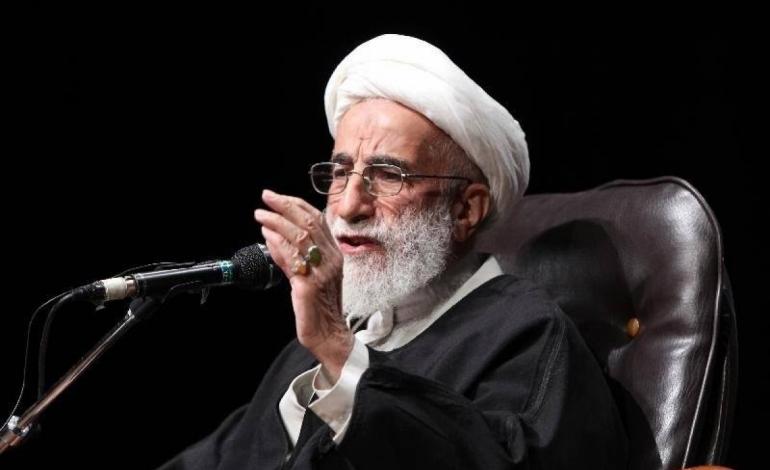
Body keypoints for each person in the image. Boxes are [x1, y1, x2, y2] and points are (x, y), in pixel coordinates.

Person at [159, 34, 628, 469]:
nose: (348, 206)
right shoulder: (312, 350)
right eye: (340, 173)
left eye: (388, 176)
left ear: (466, 209)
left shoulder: (525, 333)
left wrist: (339, 351)